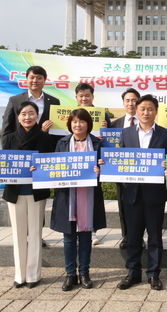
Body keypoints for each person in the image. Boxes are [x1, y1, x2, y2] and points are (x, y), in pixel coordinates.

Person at [117, 95, 167, 291]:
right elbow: (119, 162)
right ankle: (132, 273)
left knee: (155, 236)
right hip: (131, 194)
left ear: (156, 111)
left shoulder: (166, 135)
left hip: (154, 194)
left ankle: (153, 274)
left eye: (150, 109)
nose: (146, 112)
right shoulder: (125, 133)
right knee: (133, 237)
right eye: (142, 109)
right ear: (136, 110)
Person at [50, 108, 106, 292]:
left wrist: (100, 171)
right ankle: (70, 275)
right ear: (69, 124)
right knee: (68, 238)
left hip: (88, 195)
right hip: (68, 195)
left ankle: (84, 273)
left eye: (81, 121)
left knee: (85, 236)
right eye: (74, 122)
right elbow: (53, 168)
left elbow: (108, 168)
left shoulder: (98, 144)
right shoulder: (62, 143)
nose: (78, 125)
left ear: (88, 124)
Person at [0, 102, 54, 288]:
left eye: (31, 113)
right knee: (18, 234)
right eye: (23, 114)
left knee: (35, 233)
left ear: (37, 116)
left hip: (36, 191)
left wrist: (39, 168)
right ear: (17, 117)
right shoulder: (8, 138)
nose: (27, 117)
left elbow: (52, 164)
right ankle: (19, 275)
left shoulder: (46, 138)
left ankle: (33, 275)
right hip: (14, 192)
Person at [74, 82, 110, 246]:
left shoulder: (102, 114)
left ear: (92, 96)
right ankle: (75, 229)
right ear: (76, 98)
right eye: (81, 96)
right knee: (73, 198)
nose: (84, 98)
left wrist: (105, 131)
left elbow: (111, 140)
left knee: (92, 198)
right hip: (73, 163)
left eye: (87, 95)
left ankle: (92, 231)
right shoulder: (71, 114)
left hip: (93, 163)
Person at [109, 88, 141, 249]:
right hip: (121, 172)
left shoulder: (146, 123)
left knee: (141, 206)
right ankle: (126, 236)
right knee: (123, 205)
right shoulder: (114, 125)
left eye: (134, 100)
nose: (131, 103)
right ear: (123, 103)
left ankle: (140, 237)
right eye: (128, 100)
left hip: (142, 172)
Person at [1, 66, 60, 147]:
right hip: (19, 148)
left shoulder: (54, 102)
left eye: (39, 78)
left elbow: (56, 130)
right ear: (26, 79)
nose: (35, 81)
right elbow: (6, 129)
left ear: (44, 80)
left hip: (43, 147)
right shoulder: (15, 100)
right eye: (32, 78)